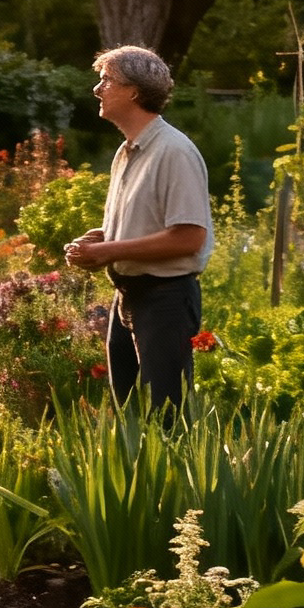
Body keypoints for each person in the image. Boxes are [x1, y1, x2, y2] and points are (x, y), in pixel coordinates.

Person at [64, 45, 212, 412]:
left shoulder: (174, 151)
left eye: (106, 80)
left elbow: (189, 237)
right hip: (128, 296)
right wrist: (100, 238)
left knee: (166, 418)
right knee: (128, 418)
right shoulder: (128, 150)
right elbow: (145, 222)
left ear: (133, 91)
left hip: (165, 299)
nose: (97, 89)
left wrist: (107, 251)